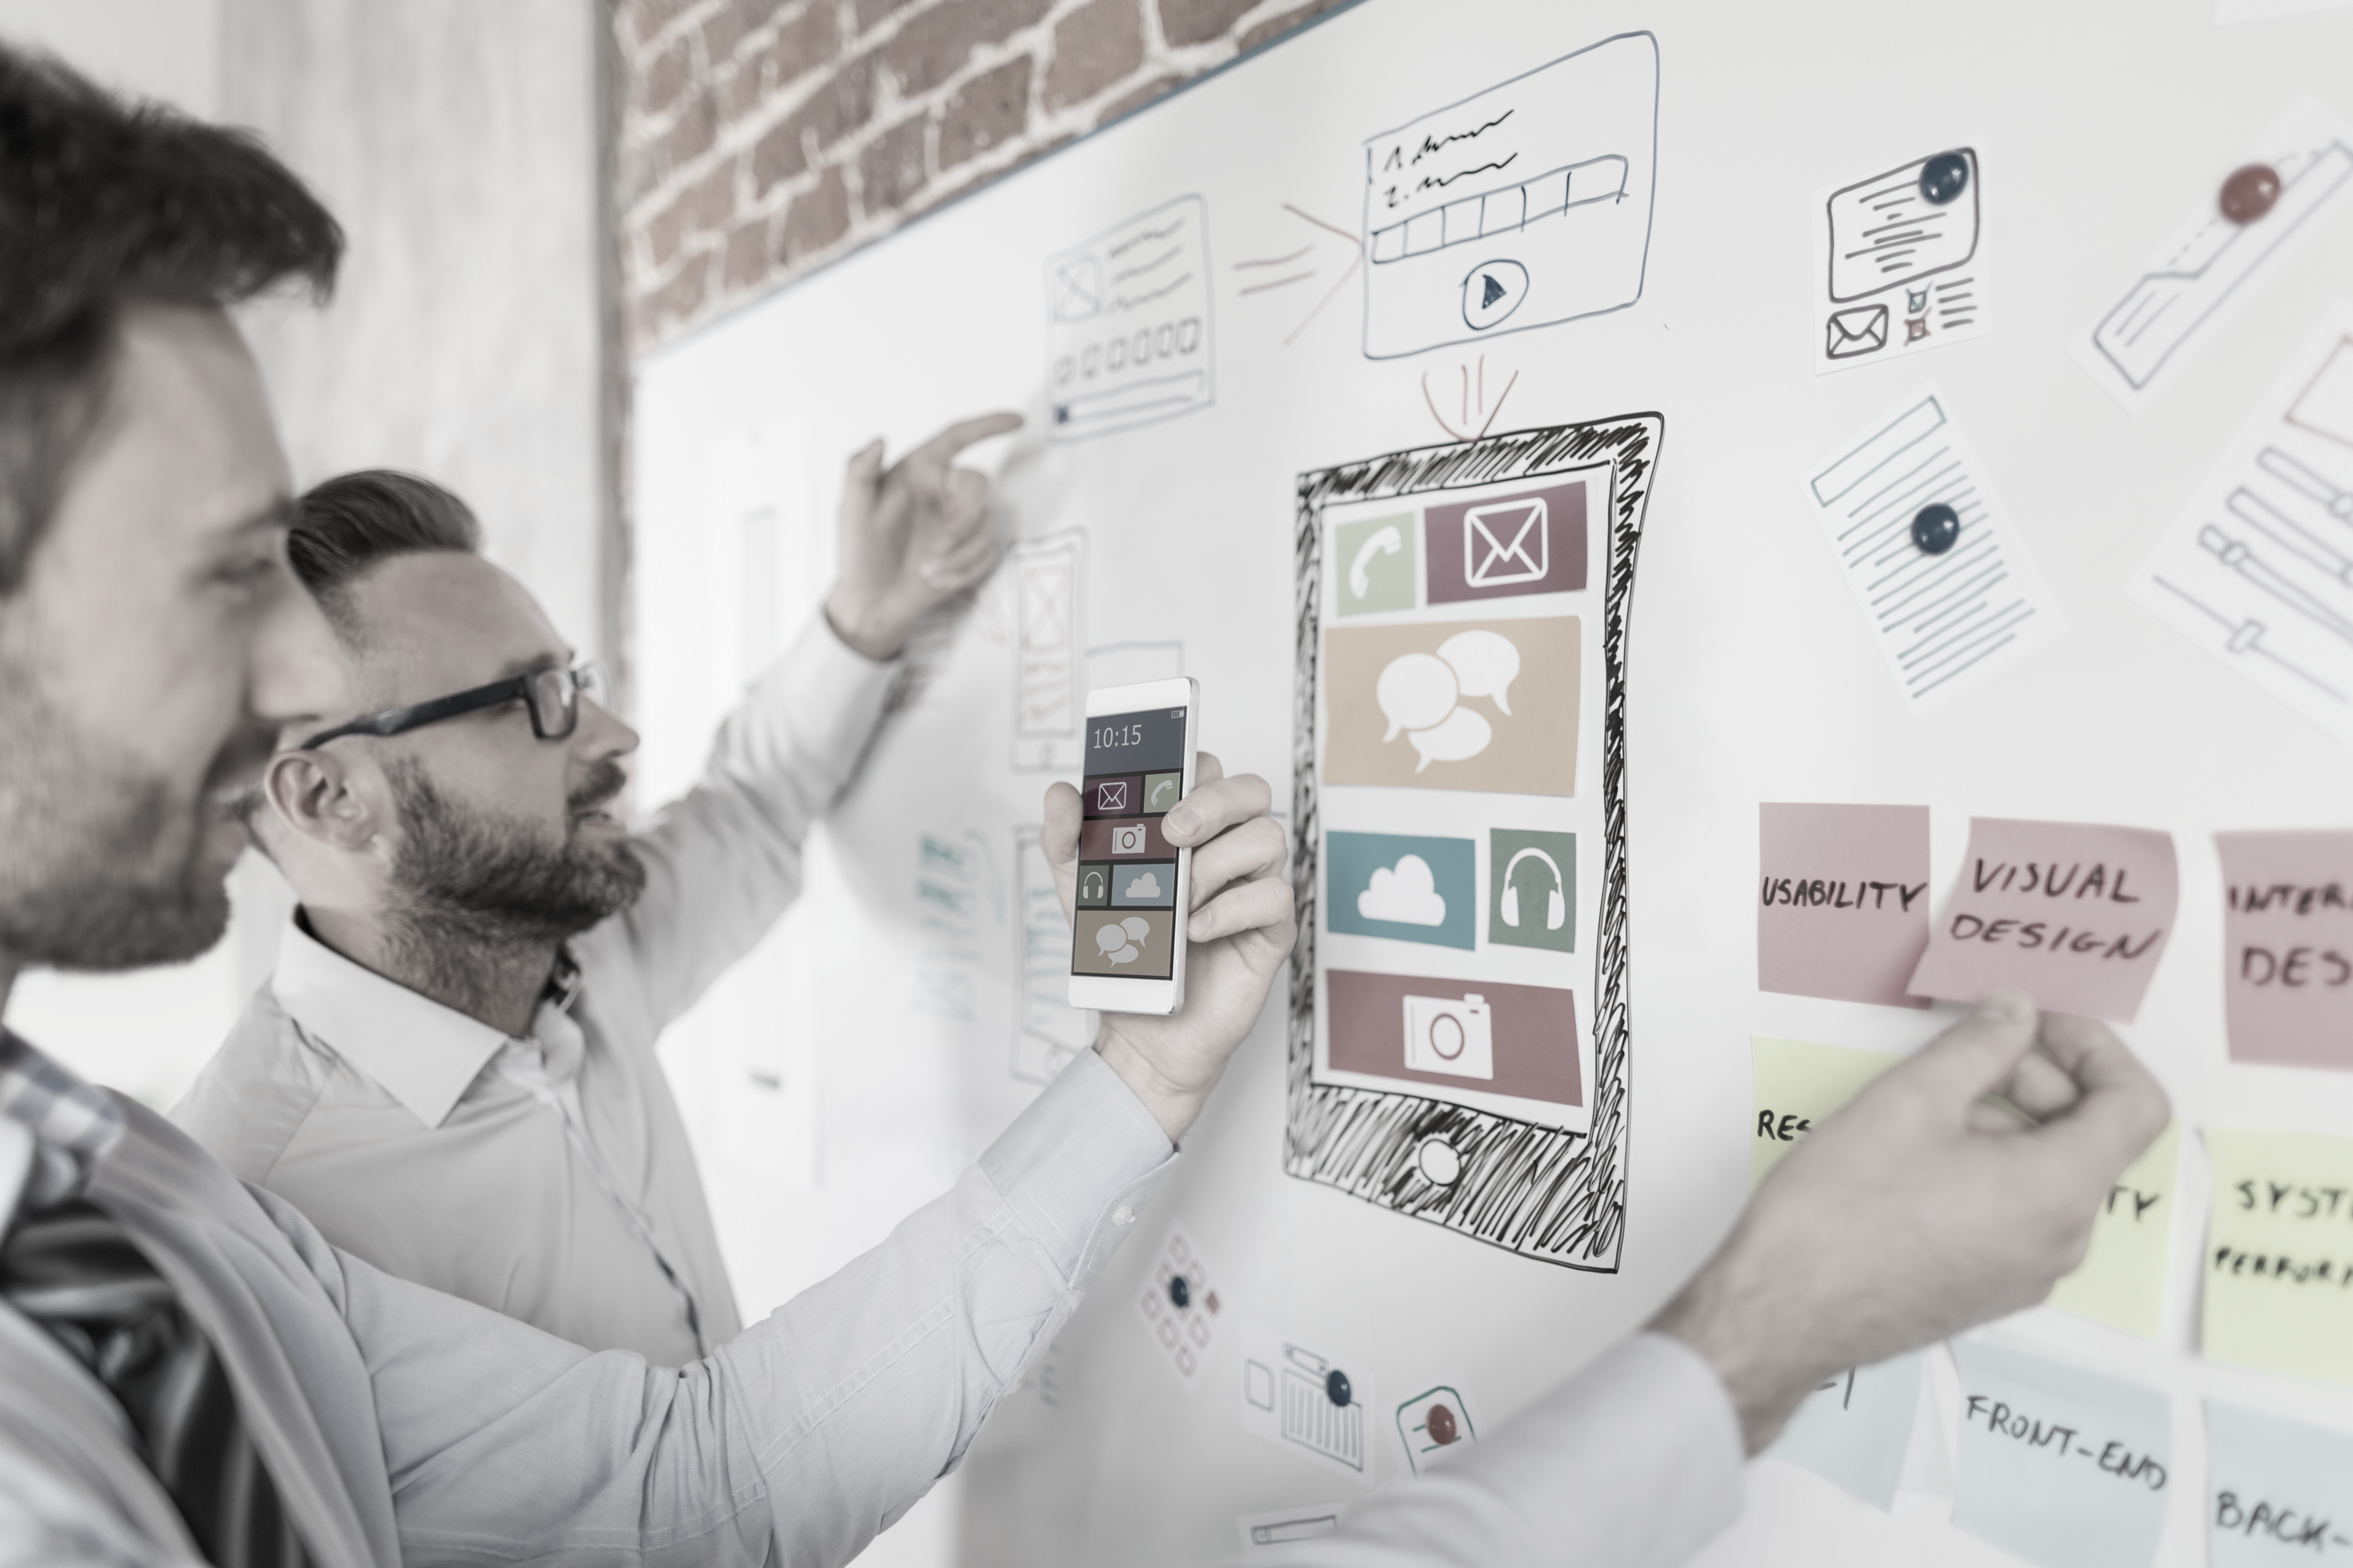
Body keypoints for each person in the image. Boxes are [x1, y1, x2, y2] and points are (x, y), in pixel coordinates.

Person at [0, 42, 2169, 1568]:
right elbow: (713, 1486)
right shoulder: (232, 1215)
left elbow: (743, 840)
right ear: (335, 798)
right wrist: (1764, 1328)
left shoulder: (441, 1022)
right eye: (219, 580)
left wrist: (861, 635)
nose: (601, 733)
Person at [167, 438, 1060, 1361]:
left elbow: (747, 807)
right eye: (534, 697)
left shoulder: (572, 947)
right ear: (331, 798)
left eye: (576, 678)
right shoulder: (260, 1235)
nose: (616, 735)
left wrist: (866, 613)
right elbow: (694, 1480)